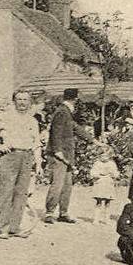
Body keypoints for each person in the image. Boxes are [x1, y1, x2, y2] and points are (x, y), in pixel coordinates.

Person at [0, 90, 43, 239]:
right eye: (19, 99)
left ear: (30, 102)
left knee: (21, 193)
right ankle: (3, 228)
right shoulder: (6, 117)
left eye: (25, 100)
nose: (22, 102)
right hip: (10, 156)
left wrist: (39, 163)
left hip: (27, 157)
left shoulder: (32, 121)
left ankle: (15, 227)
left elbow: (36, 143)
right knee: (6, 192)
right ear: (14, 101)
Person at [44, 88, 95, 224]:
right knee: (58, 184)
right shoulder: (62, 112)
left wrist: (93, 140)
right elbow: (56, 132)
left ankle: (63, 212)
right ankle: (49, 213)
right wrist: (57, 150)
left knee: (67, 185)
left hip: (66, 154)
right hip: (59, 154)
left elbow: (75, 128)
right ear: (75, 99)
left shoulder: (66, 112)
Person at [89, 144, 120, 226]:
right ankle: (96, 219)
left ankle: (107, 219)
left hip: (108, 184)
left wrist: (114, 174)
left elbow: (116, 173)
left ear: (109, 156)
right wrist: (97, 174)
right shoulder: (97, 163)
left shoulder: (112, 164)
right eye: (102, 156)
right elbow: (92, 172)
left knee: (107, 203)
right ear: (99, 156)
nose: (104, 158)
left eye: (106, 156)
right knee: (99, 202)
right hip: (100, 184)